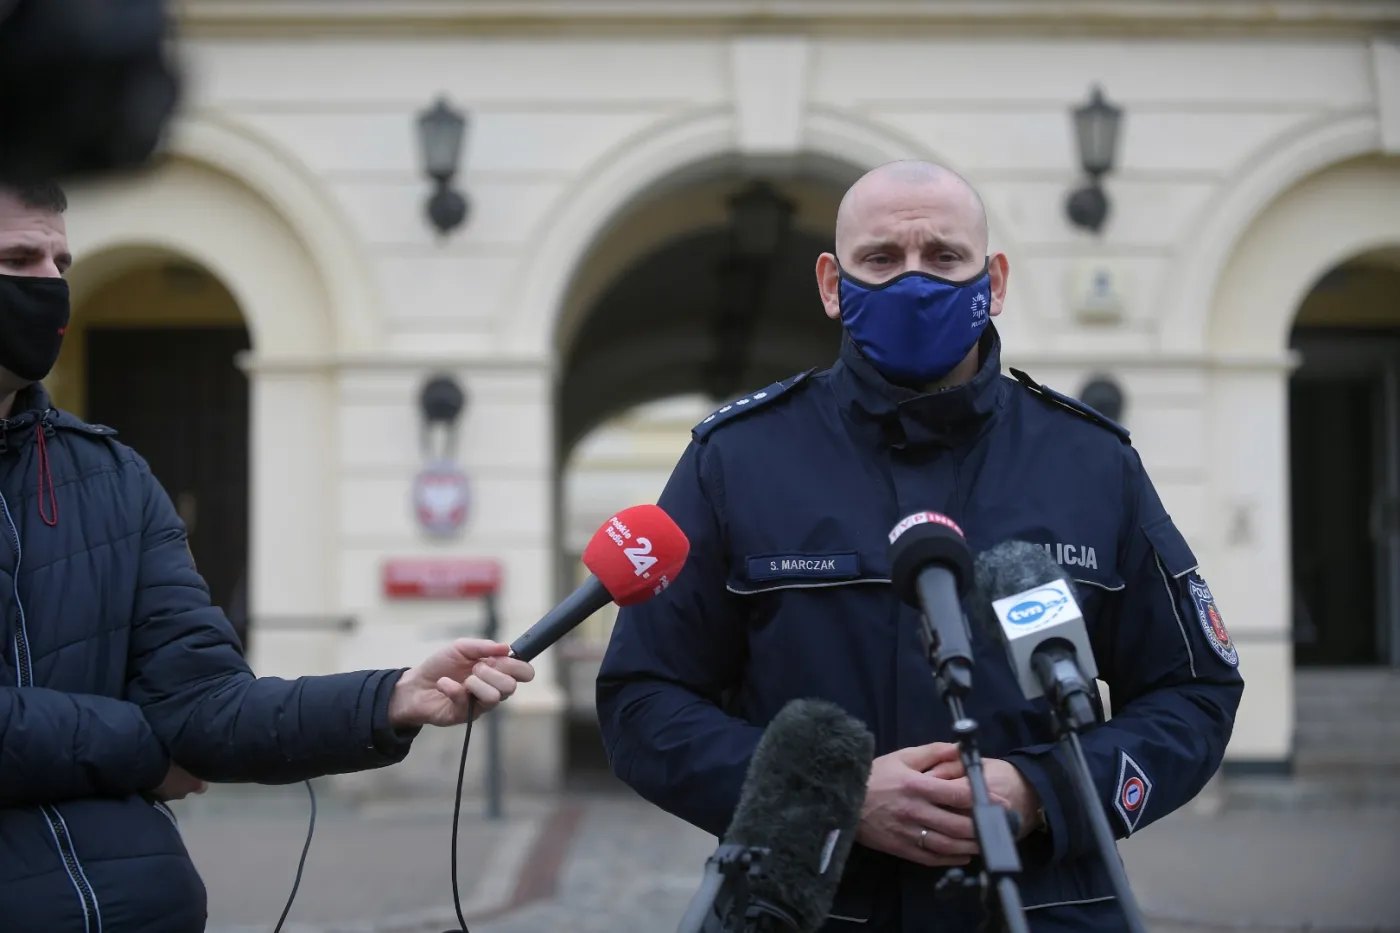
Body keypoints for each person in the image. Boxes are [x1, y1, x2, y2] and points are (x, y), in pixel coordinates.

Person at [597, 160, 1244, 933]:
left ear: (993, 281)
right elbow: (642, 700)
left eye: (943, 256)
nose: (914, 281)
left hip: (1039, 908)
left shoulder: (1091, 464)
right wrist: (828, 794)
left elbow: (1194, 693)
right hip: (806, 910)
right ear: (833, 284)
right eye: (881, 258)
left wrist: (1043, 791)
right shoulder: (736, 461)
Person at [0, 180, 536, 932]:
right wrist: (143, 748)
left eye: (61, 262)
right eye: (18, 259)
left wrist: (391, 697)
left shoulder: (113, 476)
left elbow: (201, 704)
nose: (51, 283)